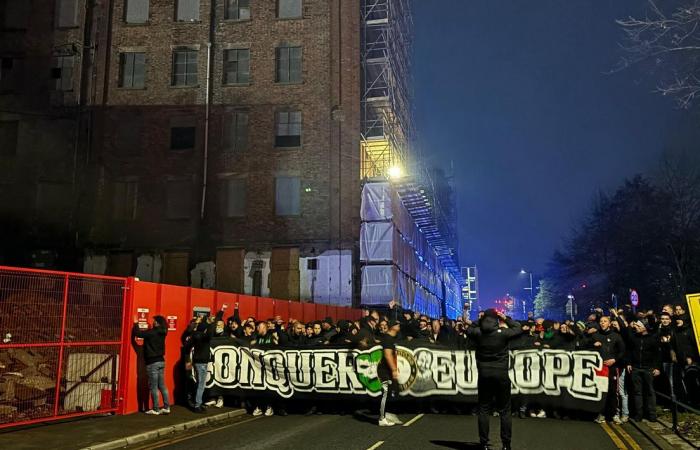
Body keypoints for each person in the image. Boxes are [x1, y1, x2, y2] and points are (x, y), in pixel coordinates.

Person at [466, 309, 522, 450]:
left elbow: (469, 329)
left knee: (484, 409)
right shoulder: (503, 334)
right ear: (497, 319)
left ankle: (484, 443)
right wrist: (505, 318)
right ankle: (506, 444)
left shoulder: (478, 333)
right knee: (505, 410)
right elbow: (518, 328)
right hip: (501, 374)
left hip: (484, 374)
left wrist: (480, 319)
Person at [132, 315, 170, 415]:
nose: (152, 322)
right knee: (162, 385)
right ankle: (166, 407)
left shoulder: (152, 332)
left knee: (153, 386)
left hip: (152, 362)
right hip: (161, 361)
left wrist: (136, 323)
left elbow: (138, 334)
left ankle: (156, 409)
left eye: (154, 321)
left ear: (157, 322)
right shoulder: (163, 332)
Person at [377, 320, 403, 427]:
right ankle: (382, 418)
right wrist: (393, 369)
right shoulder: (388, 339)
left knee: (391, 394)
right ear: (393, 327)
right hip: (385, 371)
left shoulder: (391, 338)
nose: (399, 326)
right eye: (397, 324)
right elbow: (388, 355)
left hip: (388, 371)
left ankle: (388, 414)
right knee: (385, 394)